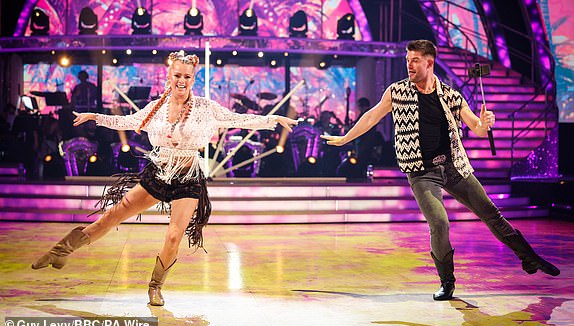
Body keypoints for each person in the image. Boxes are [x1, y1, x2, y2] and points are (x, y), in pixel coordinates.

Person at [31, 50, 298, 306]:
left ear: (193, 79)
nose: (181, 81)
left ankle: (156, 286)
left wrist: (270, 118)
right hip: (158, 173)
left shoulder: (206, 108)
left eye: (187, 77)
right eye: (177, 76)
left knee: (173, 237)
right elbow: (127, 121)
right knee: (113, 215)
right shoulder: (155, 108)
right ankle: (61, 251)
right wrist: (95, 117)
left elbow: (238, 118)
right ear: (169, 77)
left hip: (188, 178)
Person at [321, 40, 559, 301]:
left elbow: (477, 128)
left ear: (429, 62)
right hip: (422, 172)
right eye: (407, 59)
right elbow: (371, 116)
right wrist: (345, 138)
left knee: (490, 212)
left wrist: (485, 122)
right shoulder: (397, 92)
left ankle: (529, 258)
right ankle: (447, 281)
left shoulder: (451, 96)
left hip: (454, 166)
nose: (408, 64)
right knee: (440, 222)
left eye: (414, 60)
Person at [70, 70, 98, 138]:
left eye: (83, 76)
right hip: (80, 109)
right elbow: (73, 99)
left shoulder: (91, 86)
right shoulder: (77, 87)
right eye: (80, 77)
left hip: (90, 109)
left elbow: (96, 96)